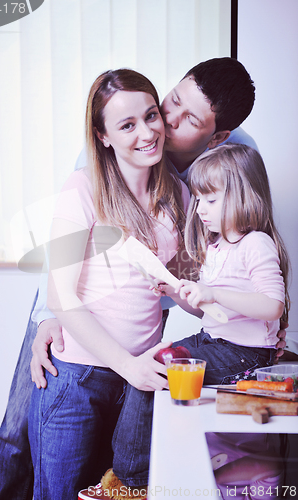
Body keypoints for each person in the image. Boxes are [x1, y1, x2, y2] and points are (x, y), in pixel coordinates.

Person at [0, 58, 287, 500]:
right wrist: (51, 314)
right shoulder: (88, 177)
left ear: (216, 136)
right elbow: (63, 277)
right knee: (20, 443)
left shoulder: (205, 178)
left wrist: (216, 303)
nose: (159, 125)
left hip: (134, 355)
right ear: (105, 137)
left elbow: (212, 263)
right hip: (77, 356)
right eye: (171, 102)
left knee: (101, 472)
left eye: (175, 118)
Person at [80, 143, 290, 500]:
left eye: (210, 200)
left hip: (248, 354)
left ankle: (131, 482)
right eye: (197, 199)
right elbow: (210, 312)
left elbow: (272, 305)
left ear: (242, 196)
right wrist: (177, 293)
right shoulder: (218, 247)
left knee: (160, 370)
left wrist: (214, 293)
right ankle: (132, 473)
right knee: (151, 362)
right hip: (217, 341)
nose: (200, 210)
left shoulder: (257, 244)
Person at [27, 68, 189, 498]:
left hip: (139, 385)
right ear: (102, 136)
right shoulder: (81, 188)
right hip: (75, 380)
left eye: (151, 115)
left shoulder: (181, 196)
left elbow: (189, 289)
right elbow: (61, 296)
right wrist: (129, 366)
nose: (147, 133)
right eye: (127, 125)